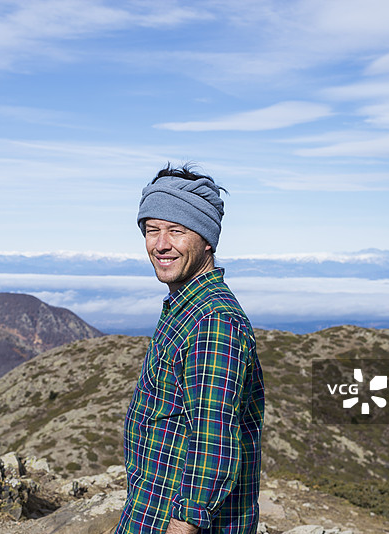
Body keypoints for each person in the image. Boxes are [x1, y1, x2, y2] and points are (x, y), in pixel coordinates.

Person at [115, 163, 265, 534]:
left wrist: (186, 524)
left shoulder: (213, 321)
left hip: (175, 524)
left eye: (176, 231)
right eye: (152, 230)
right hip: (151, 511)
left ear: (207, 239)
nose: (161, 244)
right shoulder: (186, 307)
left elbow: (213, 439)